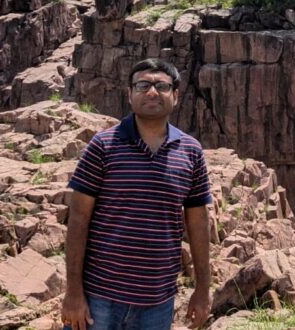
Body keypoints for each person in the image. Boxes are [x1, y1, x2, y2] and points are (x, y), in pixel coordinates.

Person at [61, 58, 212, 330]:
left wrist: (203, 289)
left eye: (161, 86)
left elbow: (198, 222)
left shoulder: (191, 151)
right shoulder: (103, 145)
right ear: (129, 94)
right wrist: (73, 292)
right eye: (142, 85)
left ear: (175, 96)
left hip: (157, 302)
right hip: (98, 298)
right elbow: (78, 218)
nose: (152, 92)